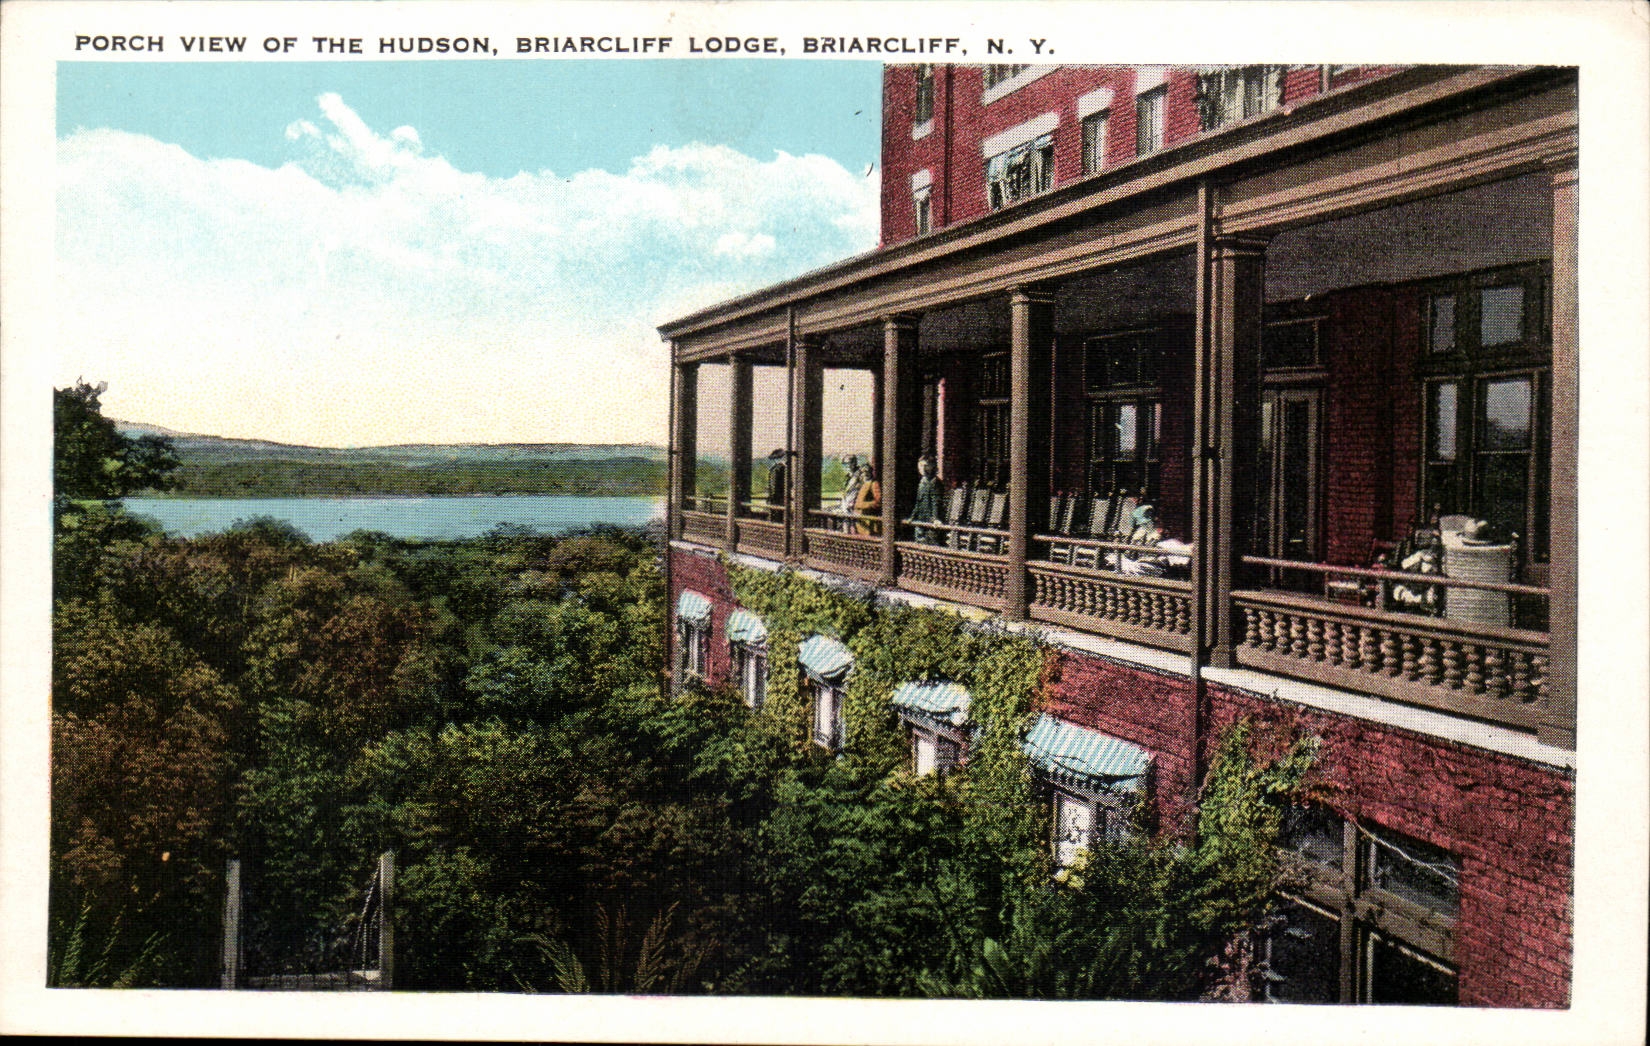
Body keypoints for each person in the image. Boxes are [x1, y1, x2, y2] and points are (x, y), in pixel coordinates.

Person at [911, 455, 941, 543]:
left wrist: (935, 518)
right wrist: (912, 517)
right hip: (920, 519)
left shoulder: (935, 482)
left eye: (925, 465)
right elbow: (918, 502)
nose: (923, 468)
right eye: (920, 466)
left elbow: (936, 502)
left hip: (930, 521)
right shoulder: (922, 482)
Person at [853, 462, 882, 536]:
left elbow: (878, 501)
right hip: (860, 519)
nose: (865, 474)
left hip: (869, 520)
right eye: (862, 472)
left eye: (867, 471)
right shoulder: (862, 484)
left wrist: (862, 505)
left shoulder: (874, 484)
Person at [837, 454, 863, 531]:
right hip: (846, 504)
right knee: (846, 524)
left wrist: (854, 502)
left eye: (849, 463)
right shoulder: (847, 476)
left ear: (854, 463)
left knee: (854, 526)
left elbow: (862, 489)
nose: (847, 466)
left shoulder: (859, 475)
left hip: (854, 505)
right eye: (845, 464)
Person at [764, 448, 787, 522]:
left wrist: (771, 496)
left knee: (776, 515)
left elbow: (774, 486)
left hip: (776, 498)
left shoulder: (777, 469)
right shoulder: (781, 469)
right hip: (778, 497)